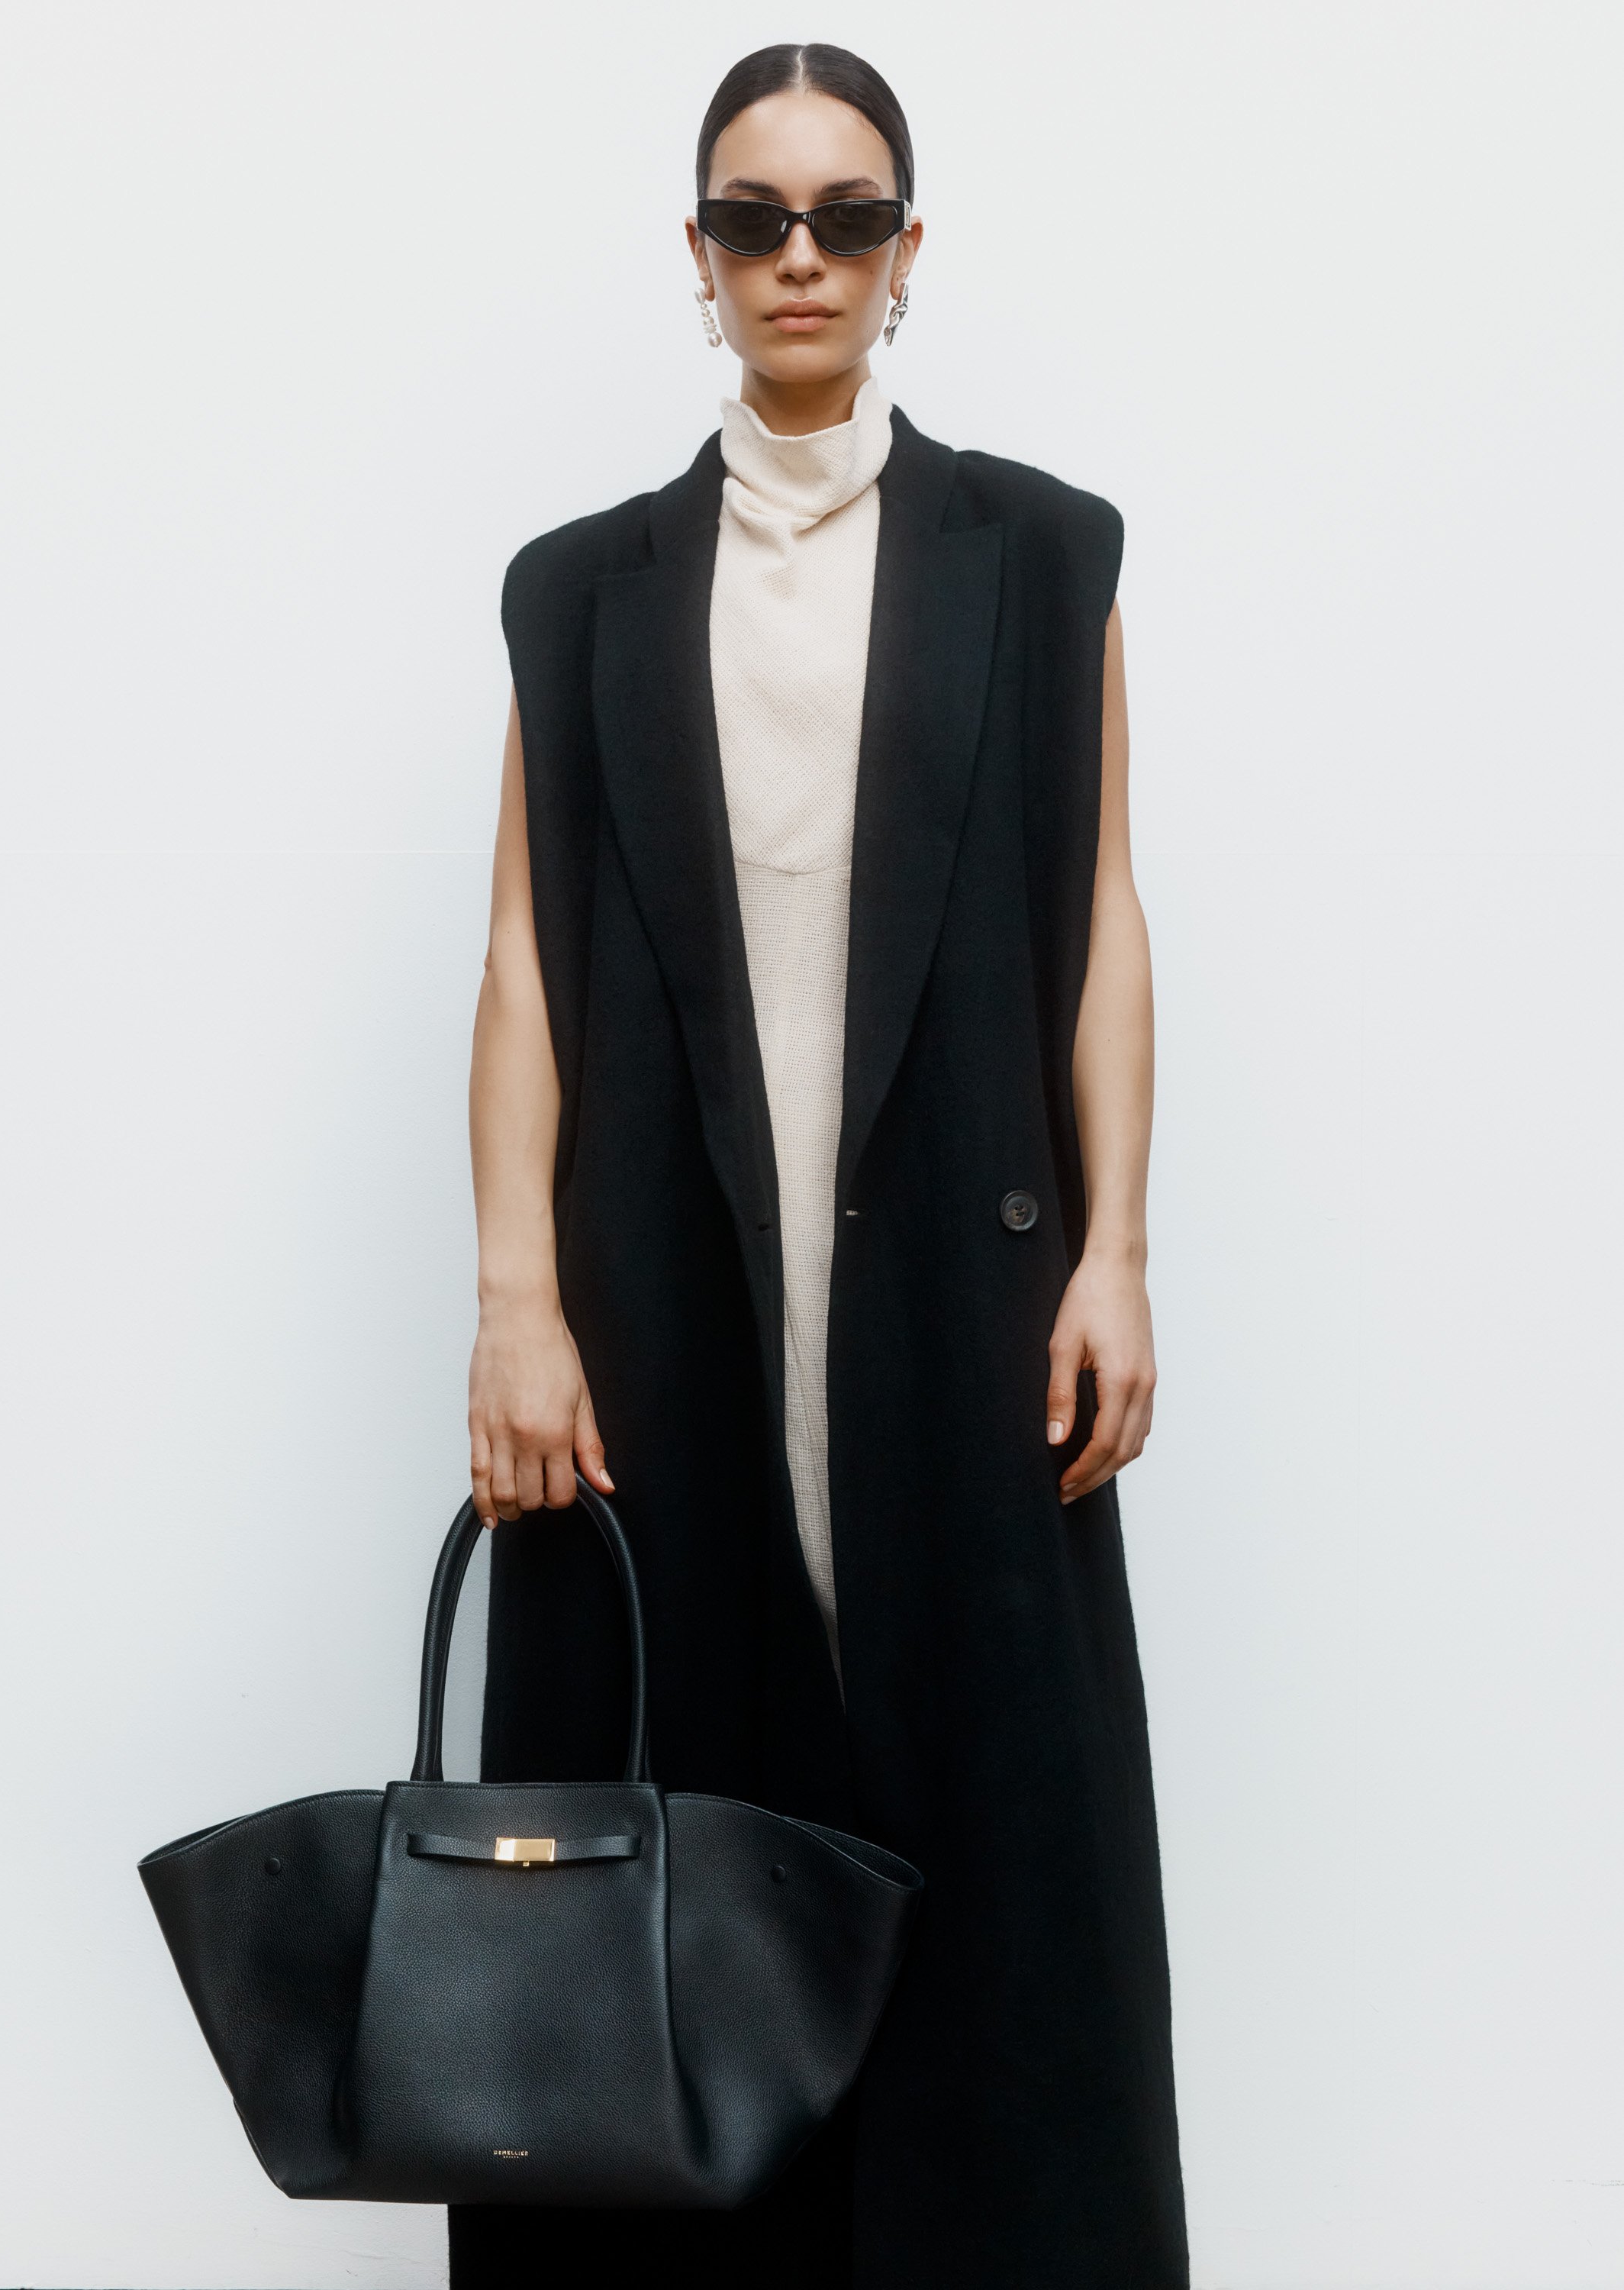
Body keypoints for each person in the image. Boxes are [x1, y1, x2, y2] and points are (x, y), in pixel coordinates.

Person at [453, 41, 1186, 2289]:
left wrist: (1119, 1252)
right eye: (754, 218)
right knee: (660, 1845)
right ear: (697, 257)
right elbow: (516, 955)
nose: (801, 257)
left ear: (904, 254)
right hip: (662, 1303)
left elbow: (1102, 922)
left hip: (966, 1298)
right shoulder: (578, 590)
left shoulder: (1036, 554)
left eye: (844, 216)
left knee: (991, 1848)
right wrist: (514, 1295)